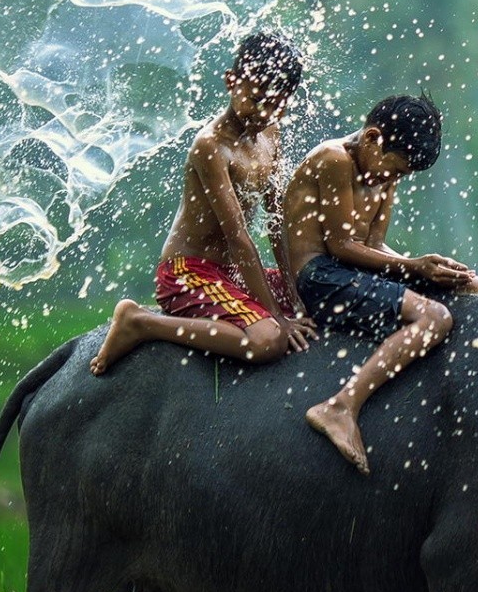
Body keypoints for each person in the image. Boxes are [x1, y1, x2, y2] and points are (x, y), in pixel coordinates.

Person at [280, 94, 478, 474]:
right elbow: (341, 245)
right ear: (372, 139)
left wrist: (429, 268)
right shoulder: (334, 160)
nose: (392, 179)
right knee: (435, 318)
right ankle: (341, 406)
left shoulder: (383, 172)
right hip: (320, 277)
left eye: (401, 175)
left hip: (352, 271)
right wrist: (415, 268)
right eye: (392, 170)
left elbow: (375, 246)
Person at [89, 30, 320, 375]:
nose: (263, 111)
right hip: (188, 273)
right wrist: (275, 316)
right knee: (267, 339)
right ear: (232, 81)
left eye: (276, 103)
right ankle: (139, 321)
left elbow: (275, 223)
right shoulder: (211, 146)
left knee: (318, 294)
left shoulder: (271, 134)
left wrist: (295, 294)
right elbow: (238, 237)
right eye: (256, 98)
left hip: (230, 275)